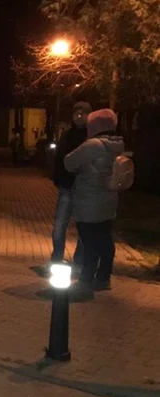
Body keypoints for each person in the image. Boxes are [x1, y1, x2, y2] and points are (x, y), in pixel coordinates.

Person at [64, 109, 124, 296]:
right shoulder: (118, 144)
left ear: (99, 125)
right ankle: (103, 278)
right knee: (105, 240)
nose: (88, 128)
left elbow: (68, 162)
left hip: (90, 200)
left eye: (90, 125)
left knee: (89, 241)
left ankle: (86, 281)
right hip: (108, 199)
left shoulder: (93, 145)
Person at [51, 102, 91, 266]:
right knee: (60, 224)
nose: (79, 116)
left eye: (83, 113)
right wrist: (58, 178)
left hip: (84, 188)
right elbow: (59, 158)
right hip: (67, 186)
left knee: (83, 226)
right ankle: (56, 257)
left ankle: (79, 261)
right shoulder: (67, 135)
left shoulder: (91, 137)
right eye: (77, 113)